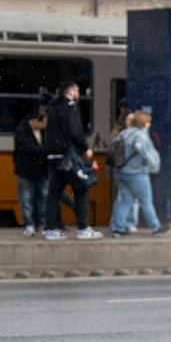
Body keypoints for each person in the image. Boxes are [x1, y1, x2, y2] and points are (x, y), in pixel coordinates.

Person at [43, 80, 101, 240]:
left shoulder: (52, 108)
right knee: (81, 189)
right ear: (70, 92)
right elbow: (75, 131)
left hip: (53, 157)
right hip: (68, 157)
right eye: (77, 90)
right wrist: (85, 148)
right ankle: (83, 227)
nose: (78, 93)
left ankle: (50, 228)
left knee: (54, 193)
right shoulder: (70, 107)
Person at [110, 111, 169, 238]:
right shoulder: (140, 135)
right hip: (136, 174)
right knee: (146, 200)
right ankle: (155, 227)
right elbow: (142, 149)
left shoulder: (124, 133)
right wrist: (152, 164)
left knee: (124, 201)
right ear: (143, 123)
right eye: (148, 122)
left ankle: (118, 228)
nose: (149, 124)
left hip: (121, 172)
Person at [13, 113, 48, 237]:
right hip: (26, 170)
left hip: (41, 170)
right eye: (43, 123)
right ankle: (28, 223)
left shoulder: (43, 132)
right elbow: (28, 148)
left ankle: (42, 223)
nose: (45, 126)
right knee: (27, 198)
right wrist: (45, 149)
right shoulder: (22, 131)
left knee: (42, 197)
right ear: (34, 120)